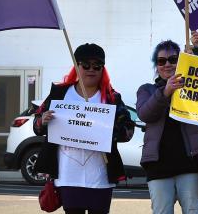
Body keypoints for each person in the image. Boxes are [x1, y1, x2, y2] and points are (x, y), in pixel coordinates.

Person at [34, 43, 134, 214]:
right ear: (77, 66)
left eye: (97, 66)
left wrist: (111, 128)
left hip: (100, 177)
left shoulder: (111, 98)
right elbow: (37, 125)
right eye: (85, 65)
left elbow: (128, 131)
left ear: (103, 69)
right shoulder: (60, 94)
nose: (91, 70)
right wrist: (42, 120)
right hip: (68, 175)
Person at [136, 39, 198, 214]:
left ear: (180, 61)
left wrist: (196, 55)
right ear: (156, 66)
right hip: (158, 165)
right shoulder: (147, 89)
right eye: (161, 61)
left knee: (194, 210)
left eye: (173, 59)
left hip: (190, 163)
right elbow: (145, 114)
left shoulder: (193, 84)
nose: (167, 64)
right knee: (162, 211)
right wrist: (165, 91)